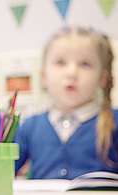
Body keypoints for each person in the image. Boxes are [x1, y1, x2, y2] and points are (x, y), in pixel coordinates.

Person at [14, 27, 118, 179]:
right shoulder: (30, 126)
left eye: (85, 64)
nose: (71, 72)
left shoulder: (114, 122)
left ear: (102, 78)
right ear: (43, 76)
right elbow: (2, 174)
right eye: (60, 62)